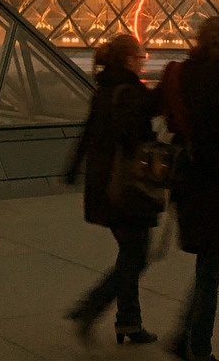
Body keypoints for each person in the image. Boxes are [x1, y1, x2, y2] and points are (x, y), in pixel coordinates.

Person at [163, 15, 219, 361]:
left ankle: (185, 335)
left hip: (189, 174)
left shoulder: (185, 71)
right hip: (216, 177)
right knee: (214, 264)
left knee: (210, 261)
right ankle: (197, 347)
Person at [63, 33, 160, 346]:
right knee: (136, 257)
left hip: (103, 186)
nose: (143, 61)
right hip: (125, 189)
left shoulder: (104, 90)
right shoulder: (130, 93)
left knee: (129, 252)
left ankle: (129, 323)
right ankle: (89, 309)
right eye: (140, 56)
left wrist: (71, 170)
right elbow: (135, 139)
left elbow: (88, 133)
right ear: (129, 60)